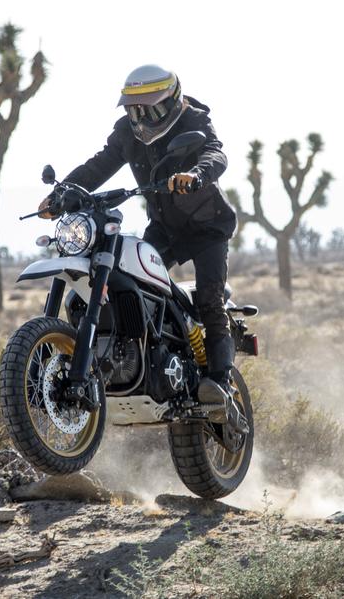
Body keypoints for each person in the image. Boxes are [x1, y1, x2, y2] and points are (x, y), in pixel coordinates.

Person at [38, 64, 243, 425]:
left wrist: (196, 175)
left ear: (173, 101)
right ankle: (132, 361)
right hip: (164, 228)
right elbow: (98, 165)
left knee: (210, 299)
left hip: (208, 227)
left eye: (151, 109)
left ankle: (220, 382)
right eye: (135, 110)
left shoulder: (194, 120)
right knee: (128, 281)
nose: (142, 118)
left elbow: (215, 153)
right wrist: (61, 194)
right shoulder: (126, 133)